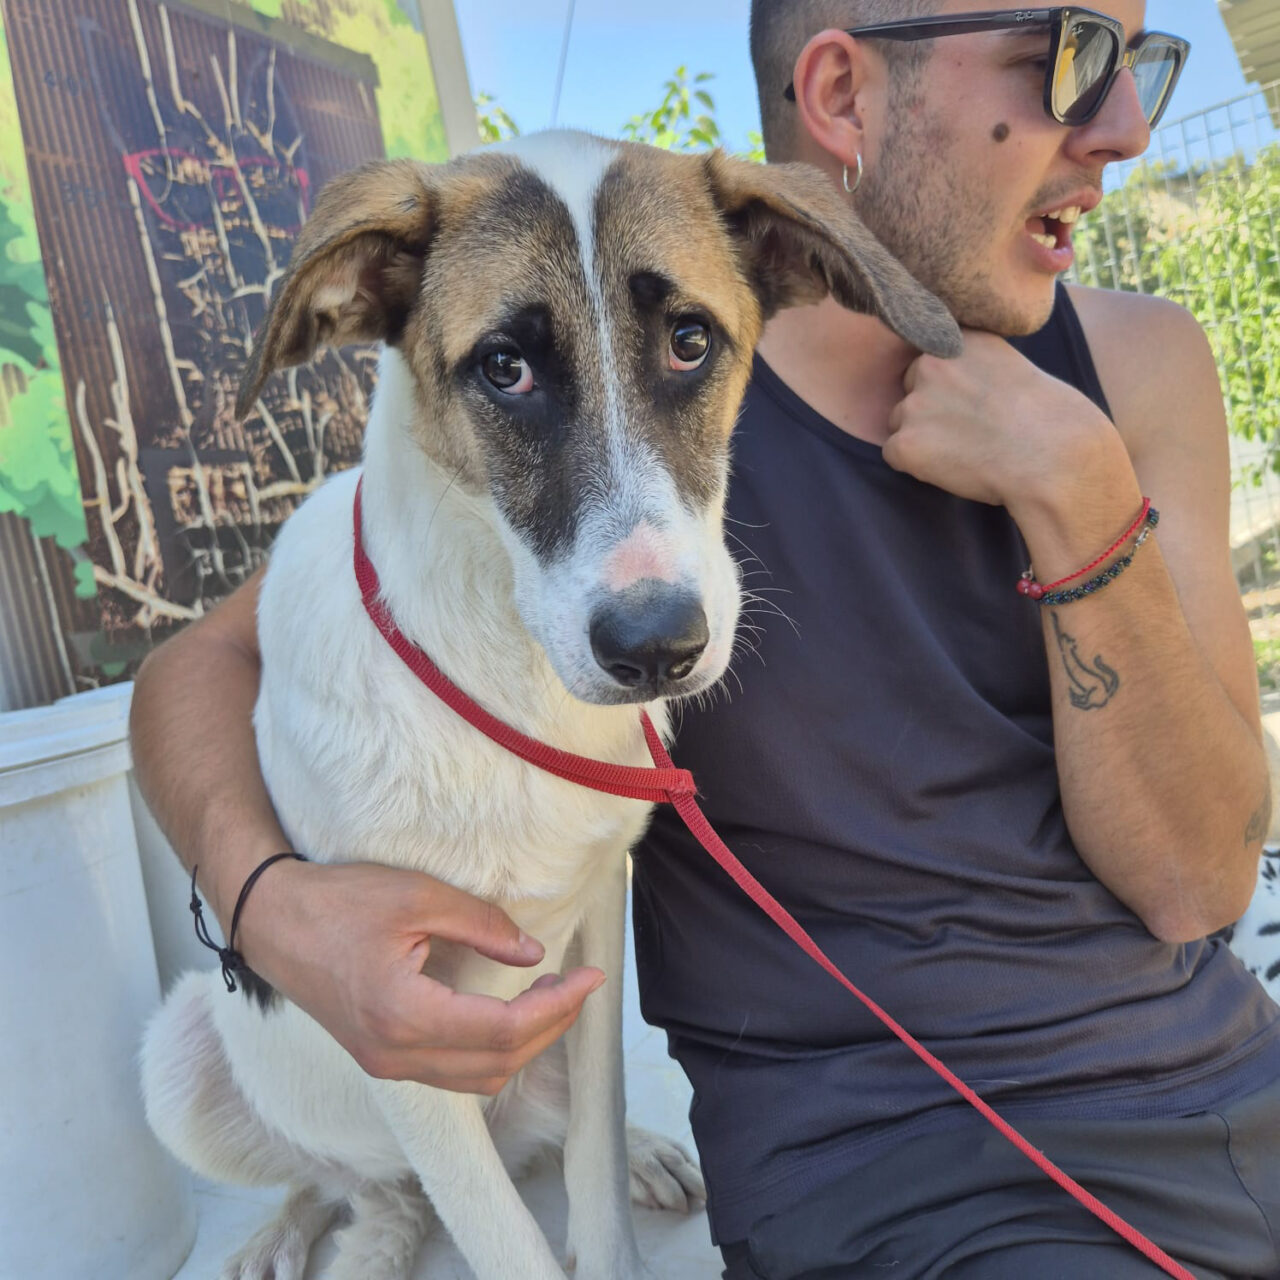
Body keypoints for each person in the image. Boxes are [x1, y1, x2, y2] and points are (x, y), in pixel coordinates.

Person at [129, 1, 1280, 1276]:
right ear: (838, 94)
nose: (1123, 127)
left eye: (1135, 60)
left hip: (1231, 1082)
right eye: (1061, 57)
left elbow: (1199, 884)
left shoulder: (1134, 363)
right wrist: (271, 910)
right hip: (912, 1174)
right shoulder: (566, 390)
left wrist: (1081, 491)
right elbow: (200, 663)